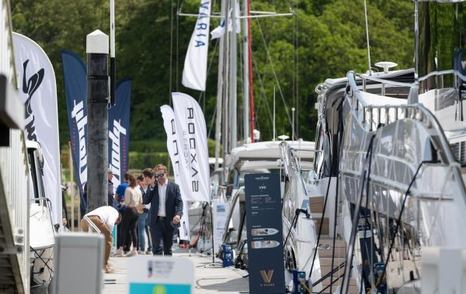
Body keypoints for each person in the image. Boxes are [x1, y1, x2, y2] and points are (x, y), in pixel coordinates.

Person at [143, 164, 183, 256]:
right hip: (156, 222)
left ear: (166, 173)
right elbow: (145, 201)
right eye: (157, 176)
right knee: (157, 248)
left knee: (168, 249)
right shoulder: (153, 187)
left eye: (161, 175)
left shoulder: (174, 187)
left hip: (169, 222)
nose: (159, 177)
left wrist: (178, 214)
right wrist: (152, 187)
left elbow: (179, 202)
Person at [81, 206, 122, 273]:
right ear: (118, 219)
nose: (115, 224)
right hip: (93, 219)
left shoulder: (108, 209)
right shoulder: (115, 213)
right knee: (108, 240)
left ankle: (88, 264)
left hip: (84, 220)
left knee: (92, 244)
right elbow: (110, 223)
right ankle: (104, 265)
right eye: (116, 223)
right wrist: (109, 235)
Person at [121, 174, 143, 256]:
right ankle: (135, 249)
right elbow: (141, 201)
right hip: (136, 210)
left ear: (129, 181)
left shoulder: (128, 189)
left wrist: (122, 203)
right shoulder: (138, 190)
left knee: (123, 229)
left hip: (129, 210)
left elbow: (127, 202)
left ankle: (120, 249)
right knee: (133, 230)